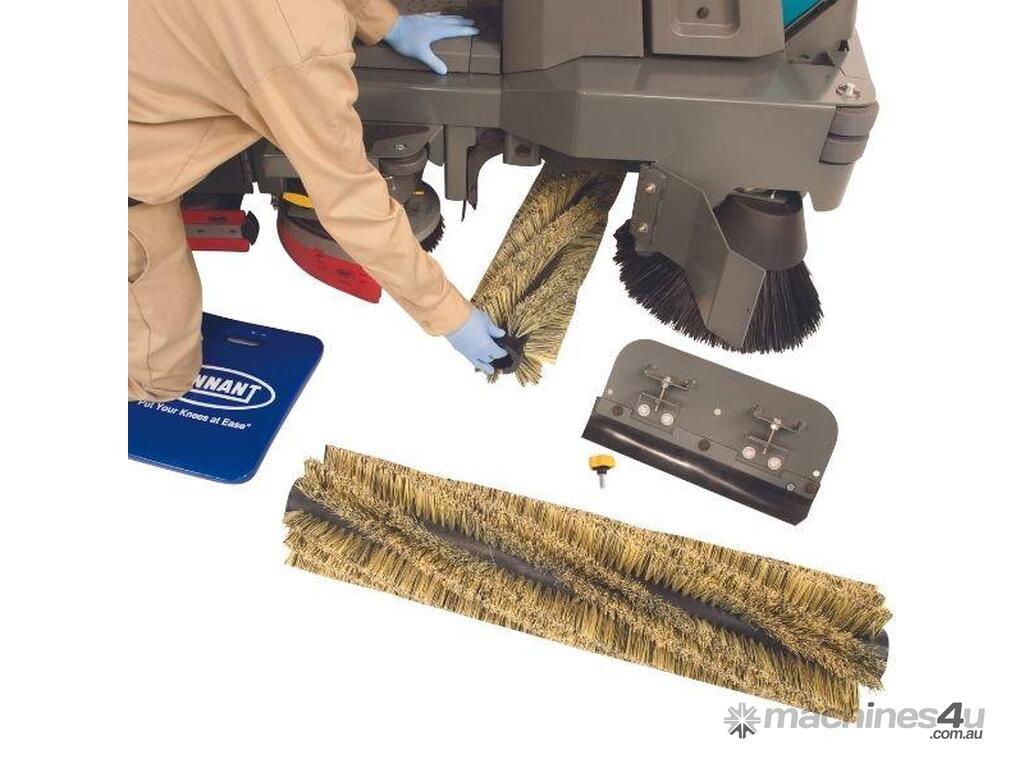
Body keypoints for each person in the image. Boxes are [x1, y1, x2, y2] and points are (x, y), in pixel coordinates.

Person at [128, 0, 508, 402]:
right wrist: (451, 316)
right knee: (162, 378)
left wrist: (387, 22)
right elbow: (352, 203)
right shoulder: (297, 53)